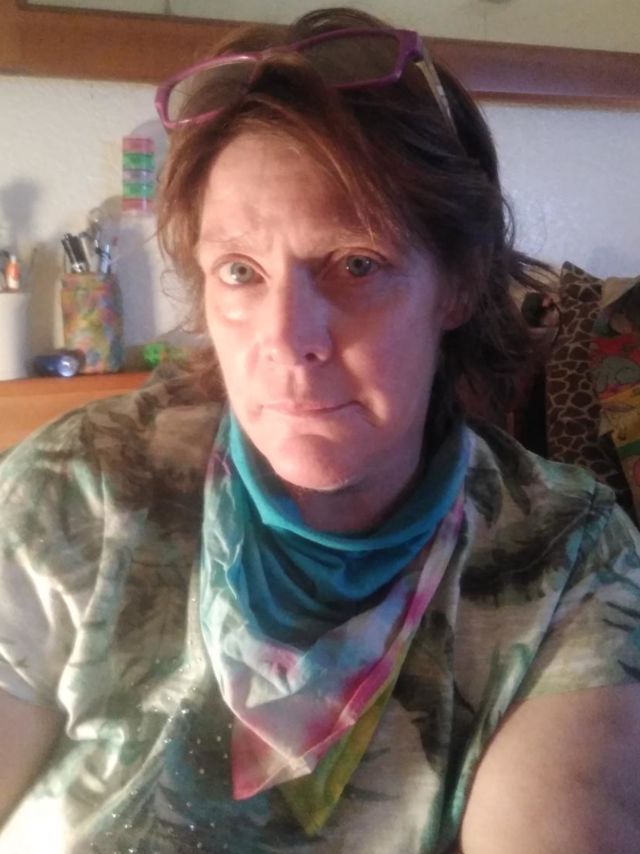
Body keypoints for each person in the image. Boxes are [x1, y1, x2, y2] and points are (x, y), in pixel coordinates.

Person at [1, 7, 639, 853]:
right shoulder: (76, 491)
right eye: (240, 271)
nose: (286, 337)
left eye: (357, 264)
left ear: (458, 283)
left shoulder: (570, 563)